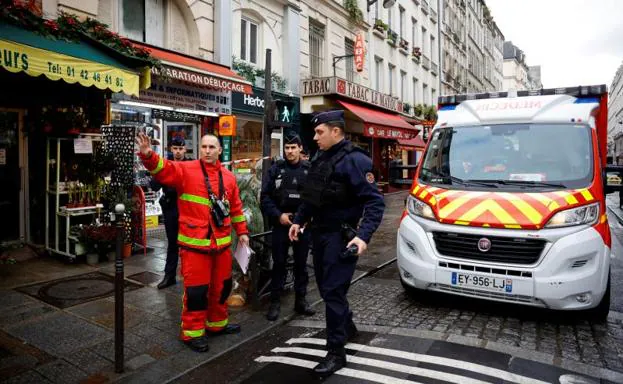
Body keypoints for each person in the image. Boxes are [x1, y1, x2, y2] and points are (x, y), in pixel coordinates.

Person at [288, 110, 385, 377]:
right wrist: (298, 220)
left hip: (340, 238)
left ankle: (335, 353)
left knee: (331, 292)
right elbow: (311, 196)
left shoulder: (355, 161)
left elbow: (375, 202)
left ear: (336, 131)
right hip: (318, 235)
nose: (315, 137)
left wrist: (363, 236)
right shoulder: (321, 157)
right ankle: (348, 326)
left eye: (320, 132)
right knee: (327, 288)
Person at [136, 133, 250, 353]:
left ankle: (217, 324)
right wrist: (148, 155)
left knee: (222, 289)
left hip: (222, 246)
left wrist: (242, 232)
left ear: (220, 151)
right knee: (196, 293)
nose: (207, 150)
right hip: (194, 246)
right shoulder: (186, 170)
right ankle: (192, 332)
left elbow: (235, 208)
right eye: (204, 147)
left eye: (211, 147)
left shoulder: (228, 177)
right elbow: (163, 169)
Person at [260, 133, 315, 321]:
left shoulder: (310, 170)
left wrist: (305, 219)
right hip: (281, 224)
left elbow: (316, 198)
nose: (290, 151)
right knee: (279, 264)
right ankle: (275, 302)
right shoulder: (276, 169)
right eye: (287, 148)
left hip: (302, 226)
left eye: (293, 148)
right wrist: (279, 215)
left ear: (300, 149)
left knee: (301, 264)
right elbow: (265, 197)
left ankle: (301, 301)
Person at [150, 136, 188, 289]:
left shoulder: (191, 164)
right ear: (171, 149)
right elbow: (153, 186)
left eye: (180, 149)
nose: (178, 152)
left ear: (185, 149)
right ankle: (169, 276)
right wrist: (161, 172)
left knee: (188, 244)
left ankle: (189, 276)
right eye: (175, 149)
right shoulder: (166, 165)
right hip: (171, 207)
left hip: (187, 207)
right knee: (172, 243)